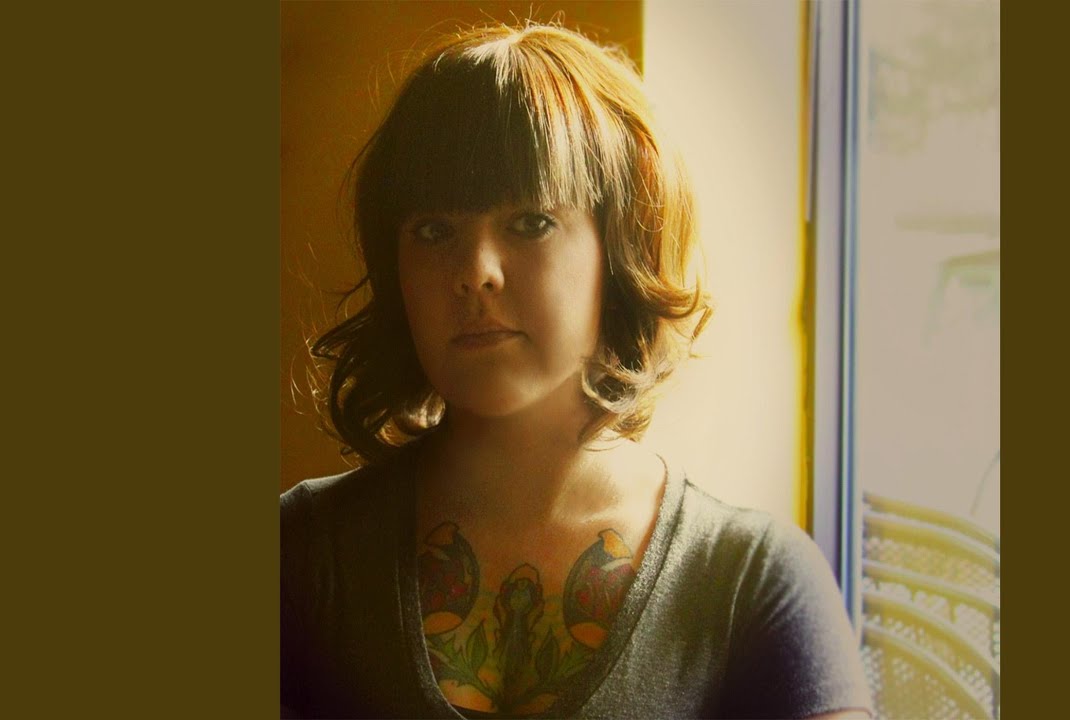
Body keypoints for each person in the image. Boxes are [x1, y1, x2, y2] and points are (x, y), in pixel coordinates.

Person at [281, 22, 874, 720]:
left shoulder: (753, 581)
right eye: (434, 231)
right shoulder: (301, 549)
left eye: (530, 222)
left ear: (619, 249)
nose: (475, 272)